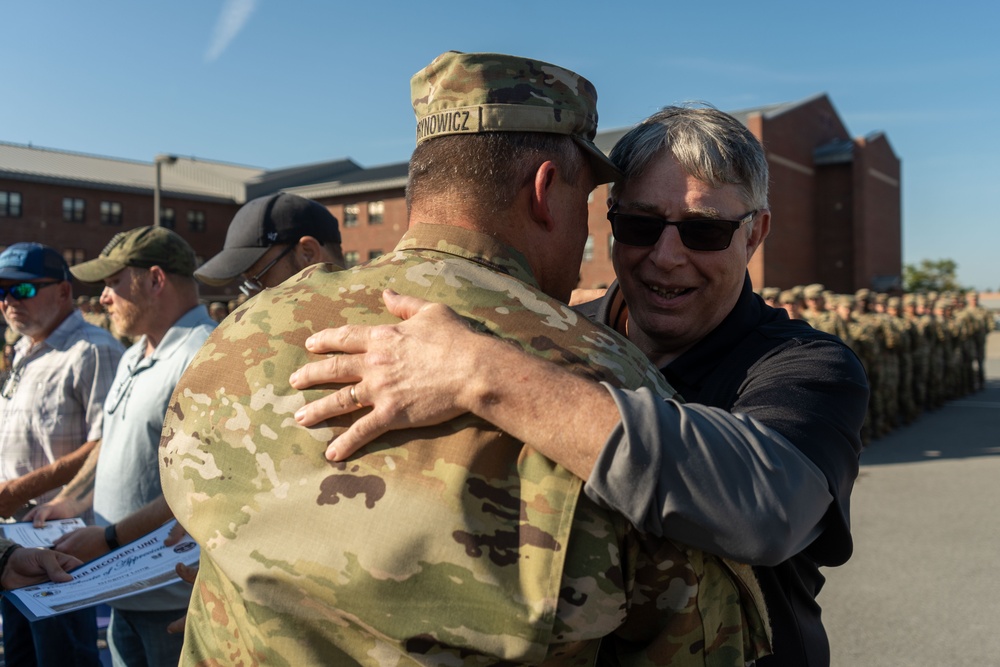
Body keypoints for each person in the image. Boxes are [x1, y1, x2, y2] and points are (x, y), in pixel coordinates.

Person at [159, 52, 769, 666]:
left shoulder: (244, 331)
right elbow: (698, 638)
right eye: (593, 206)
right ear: (544, 189)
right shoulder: (614, 391)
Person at [290, 105, 870, 667]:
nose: (666, 257)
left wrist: (485, 375)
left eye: (704, 232)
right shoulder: (553, 333)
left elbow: (766, 508)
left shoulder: (803, 363)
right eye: (639, 225)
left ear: (755, 234)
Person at [26, 226, 216, 667]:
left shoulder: (204, 353)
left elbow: (198, 481)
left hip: (172, 595)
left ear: (155, 280)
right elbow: (117, 448)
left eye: (112, 282)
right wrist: (73, 502)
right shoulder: (134, 354)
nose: (103, 297)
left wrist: (108, 537)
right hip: (122, 591)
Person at [0, 242, 124, 667]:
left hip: (62, 543)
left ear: (65, 292)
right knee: (19, 656)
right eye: (1, 291)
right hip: (14, 537)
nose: (8, 301)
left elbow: (107, 444)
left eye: (23, 290)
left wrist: (19, 489)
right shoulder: (24, 349)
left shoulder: (93, 349)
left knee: (63, 658)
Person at [194, 192, 345, 295]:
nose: (252, 299)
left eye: (258, 280)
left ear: (308, 253)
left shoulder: (365, 327)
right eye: (247, 287)